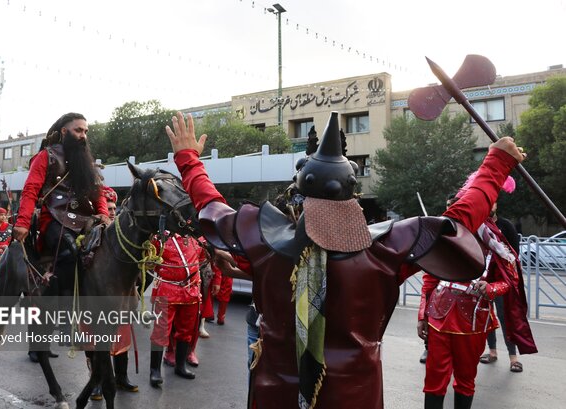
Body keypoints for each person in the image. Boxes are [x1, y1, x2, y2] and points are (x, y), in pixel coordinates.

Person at [164, 110, 527, 409]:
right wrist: (496, 163)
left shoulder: (264, 243)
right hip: (357, 397)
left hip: (275, 394)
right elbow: (458, 220)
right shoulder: (385, 251)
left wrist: (188, 158)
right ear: (353, 194)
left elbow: (211, 206)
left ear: (301, 192)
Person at [418, 188, 536, 409]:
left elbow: (509, 281)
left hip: (472, 320)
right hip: (437, 318)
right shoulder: (445, 234)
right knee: (434, 381)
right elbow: (429, 280)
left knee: (465, 380)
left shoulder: (494, 239)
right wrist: (422, 314)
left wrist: (490, 288)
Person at [12, 112, 109, 294]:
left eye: (86, 131)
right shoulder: (45, 156)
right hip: (54, 218)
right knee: (70, 251)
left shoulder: (87, 161)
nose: (83, 136)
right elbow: (30, 190)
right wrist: (23, 223)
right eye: (78, 130)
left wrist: (103, 213)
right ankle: (60, 303)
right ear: (64, 131)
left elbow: (98, 193)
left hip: (86, 219)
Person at [88, 186, 138, 400]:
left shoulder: (123, 233)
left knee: (122, 339)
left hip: (122, 296)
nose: (111, 211)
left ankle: (122, 378)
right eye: (108, 207)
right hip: (98, 297)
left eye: (114, 208)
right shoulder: (92, 233)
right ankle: (96, 382)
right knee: (97, 343)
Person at [149, 232, 207, 386]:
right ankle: (154, 370)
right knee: (160, 331)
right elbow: (151, 261)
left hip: (190, 292)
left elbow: (200, 260)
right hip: (167, 290)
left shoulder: (197, 239)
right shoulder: (160, 237)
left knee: (186, 332)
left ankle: (180, 366)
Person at [479, 202, 524, 372]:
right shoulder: (478, 226)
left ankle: (513, 358)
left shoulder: (506, 225)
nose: (489, 205)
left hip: (503, 280)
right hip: (482, 279)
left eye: (492, 201)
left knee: (505, 317)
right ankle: (492, 352)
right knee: (486, 316)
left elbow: (514, 255)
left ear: (496, 205)